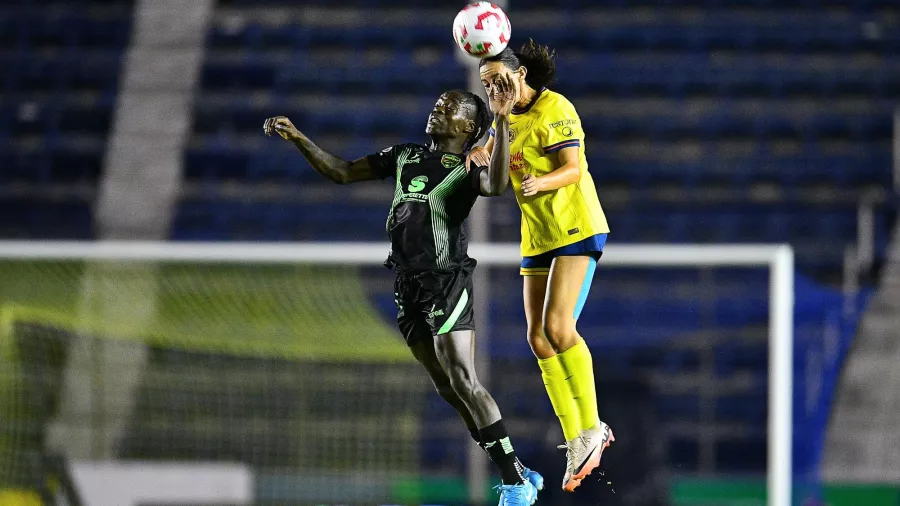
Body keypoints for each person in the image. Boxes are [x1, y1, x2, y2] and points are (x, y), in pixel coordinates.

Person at [264, 86, 543, 505]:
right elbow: (342, 171)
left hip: (445, 282)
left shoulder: (466, 165)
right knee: (445, 387)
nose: (437, 109)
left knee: (464, 379)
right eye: (437, 104)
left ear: (467, 127)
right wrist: (300, 138)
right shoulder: (405, 155)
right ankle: (518, 469)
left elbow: (498, 184)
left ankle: (514, 482)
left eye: (448, 109)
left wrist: (501, 121)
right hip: (407, 284)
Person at [469, 40, 614, 493]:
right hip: (538, 236)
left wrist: (540, 181)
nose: (493, 88)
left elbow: (573, 168)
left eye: (499, 79)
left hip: (574, 226)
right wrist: (475, 155)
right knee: (537, 338)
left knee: (558, 326)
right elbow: (488, 158)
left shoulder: (555, 108)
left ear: (521, 75)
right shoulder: (503, 120)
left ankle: (593, 427)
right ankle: (577, 438)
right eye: (486, 83)